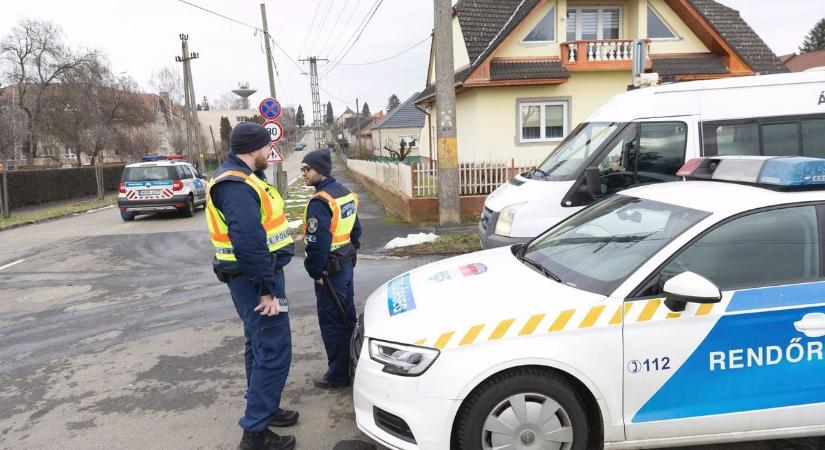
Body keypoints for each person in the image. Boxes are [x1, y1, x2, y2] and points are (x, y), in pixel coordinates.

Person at [205, 121, 297, 450]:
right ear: (254, 149)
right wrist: (267, 290)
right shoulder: (236, 184)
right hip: (256, 279)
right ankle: (255, 432)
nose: (269, 153)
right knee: (273, 349)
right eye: (266, 148)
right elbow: (247, 240)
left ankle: (265, 408)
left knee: (258, 344)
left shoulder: (241, 179)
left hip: (252, 276)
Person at [300, 148, 361, 388]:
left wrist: (316, 272)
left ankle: (338, 375)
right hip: (345, 263)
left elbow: (317, 242)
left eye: (307, 169)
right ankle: (353, 365)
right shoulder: (345, 193)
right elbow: (355, 229)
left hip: (329, 270)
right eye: (302, 169)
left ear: (320, 171)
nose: (304, 173)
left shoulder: (320, 202)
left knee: (332, 322)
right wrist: (353, 248)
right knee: (347, 317)